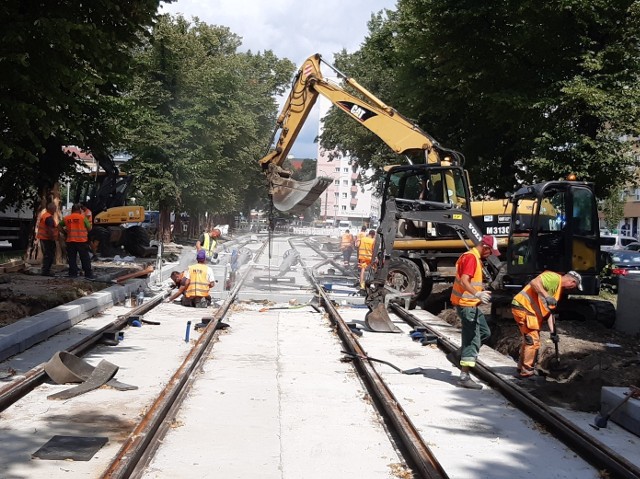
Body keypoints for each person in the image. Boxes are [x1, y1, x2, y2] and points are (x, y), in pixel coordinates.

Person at [448, 235, 501, 390]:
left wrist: (480, 291)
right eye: (490, 251)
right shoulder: (471, 258)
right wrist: (477, 294)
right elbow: (465, 281)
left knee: (485, 332)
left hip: (471, 304)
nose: (490, 255)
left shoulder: (472, 257)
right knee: (472, 339)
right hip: (467, 305)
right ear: (484, 246)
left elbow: (469, 282)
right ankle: (464, 376)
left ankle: (459, 355)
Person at [511, 270, 582, 378]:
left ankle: (522, 367)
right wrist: (547, 296)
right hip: (524, 308)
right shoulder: (553, 278)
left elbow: (549, 313)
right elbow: (534, 282)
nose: (571, 288)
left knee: (529, 340)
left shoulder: (557, 289)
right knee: (533, 341)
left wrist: (553, 332)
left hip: (529, 311)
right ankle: (527, 371)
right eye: (574, 286)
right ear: (572, 281)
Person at [60, 203, 93, 279]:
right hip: (82, 241)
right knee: (84, 258)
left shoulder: (67, 218)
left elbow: (59, 226)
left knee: (72, 258)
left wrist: (65, 232)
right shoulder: (83, 218)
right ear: (79, 210)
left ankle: (72, 273)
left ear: (72, 210)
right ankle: (88, 274)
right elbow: (89, 228)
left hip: (70, 241)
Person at [36, 202, 59, 277]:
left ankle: (46, 270)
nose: (55, 210)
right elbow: (50, 230)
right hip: (47, 239)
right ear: (51, 209)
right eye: (55, 209)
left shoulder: (45, 215)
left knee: (47, 255)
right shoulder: (48, 217)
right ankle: (46, 271)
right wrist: (52, 238)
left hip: (44, 238)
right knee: (49, 255)